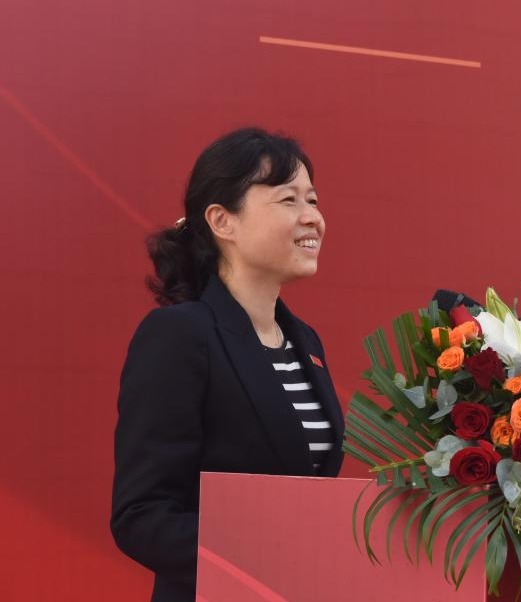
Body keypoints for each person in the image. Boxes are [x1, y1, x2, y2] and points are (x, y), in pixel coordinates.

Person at [110, 128, 345, 602]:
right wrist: (266, 554)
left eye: (313, 200)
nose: (312, 218)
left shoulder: (306, 342)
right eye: (288, 200)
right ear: (222, 221)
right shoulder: (180, 335)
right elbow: (142, 516)